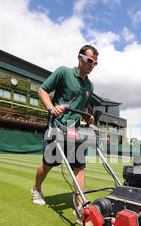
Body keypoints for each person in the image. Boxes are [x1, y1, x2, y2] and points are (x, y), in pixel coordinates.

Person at [31, 44, 98, 216]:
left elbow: (82, 108)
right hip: (56, 126)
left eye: (95, 63)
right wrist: (51, 108)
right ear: (80, 58)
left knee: (79, 167)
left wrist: (87, 117)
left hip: (74, 131)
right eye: (90, 60)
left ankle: (81, 206)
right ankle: (36, 189)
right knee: (47, 165)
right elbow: (42, 90)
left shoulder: (89, 86)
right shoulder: (64, 72)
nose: (92, 65)